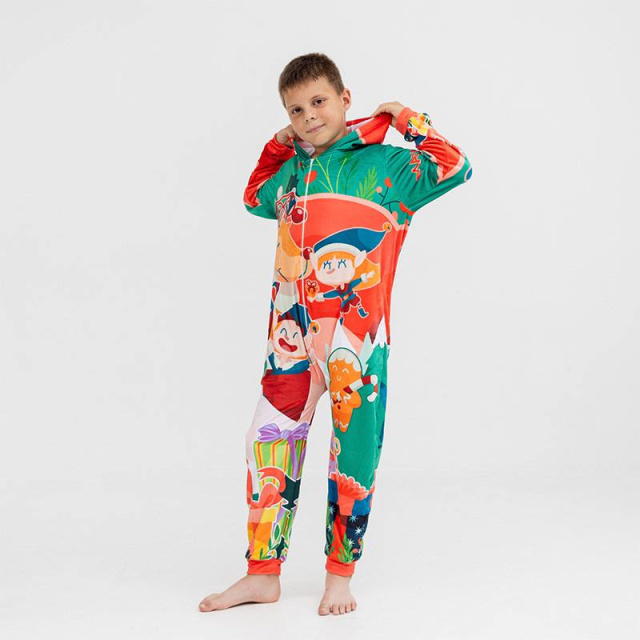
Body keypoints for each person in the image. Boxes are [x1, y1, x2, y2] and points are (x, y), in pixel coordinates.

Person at [199, 52, 472, 616]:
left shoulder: (389, 166)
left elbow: (456, 166)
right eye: (295, 110)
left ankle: (339, 577)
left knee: (353, 455)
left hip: (357, 343)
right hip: (290, 340)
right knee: (267, 442)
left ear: (345, 100)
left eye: (319, 102)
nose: (309, 116)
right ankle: (262, 574)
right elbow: (252, 197)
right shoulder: (292, 173)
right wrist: (278, 146)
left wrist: (406, 119)